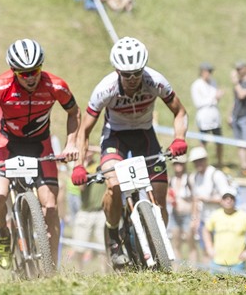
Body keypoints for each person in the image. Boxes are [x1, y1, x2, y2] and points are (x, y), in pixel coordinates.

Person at [71, 36, 188, 269]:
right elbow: (84, 130)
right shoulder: (106, 88)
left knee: (160, 196)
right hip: (115, 137)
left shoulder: (155, 81)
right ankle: (114, 237)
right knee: (114, 185)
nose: (133, 78)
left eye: (137, 72)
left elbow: (180, 112)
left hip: (145, 135)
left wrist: (179, 139)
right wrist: (79, 165)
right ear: (117, 71)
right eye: (127, 74)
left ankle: (157, 245)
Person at [0, 39, 80, 270]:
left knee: (50, 207)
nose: (30, 77)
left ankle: (52, 269)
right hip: (9, 145)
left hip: (41, 145)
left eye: (34, 71)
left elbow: (74, 112)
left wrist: (71, 143)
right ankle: (3, 235)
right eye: (23, 73)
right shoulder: (0, 86)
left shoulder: (56, 86)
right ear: (14, 71)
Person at [202, 188, 246, 273]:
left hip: (237, 264)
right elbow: (206, 230)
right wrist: (209, 247)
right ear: (221, 201)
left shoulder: (244, 216)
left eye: (231, 198)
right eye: (225, 198)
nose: (228, 201)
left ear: (235, 201)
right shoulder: (216, 215)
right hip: (217, 262)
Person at [187, 146, 230, 264]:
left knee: (220, 251)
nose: (198, 163)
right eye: (195, 161)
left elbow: (227, 199)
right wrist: (194, 218)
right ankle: (208, 277)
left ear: (206, 159)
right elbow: (195, 199)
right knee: (206, 250)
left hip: (219, 219)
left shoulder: (216, 175)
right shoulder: (194, 177)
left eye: (200, 160)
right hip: (204, 220)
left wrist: (208, 199)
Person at [68, 146, 106, 272]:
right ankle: (79, 271)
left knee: (104, 247)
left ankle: (105, 272)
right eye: (86, 151)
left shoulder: (100, 165)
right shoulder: (80, 169)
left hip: (101, 211)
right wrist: (82, 162)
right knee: (79, 247)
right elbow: (81, 188)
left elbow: (109, 153)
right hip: (85, 211)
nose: (88, 153)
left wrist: (92, 148)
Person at [190, 62, 224, 167]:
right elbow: (198, 103)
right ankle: (203, 163)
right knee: (203, 142)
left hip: (214, 116)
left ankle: (220, 163)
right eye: (207, 71)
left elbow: (215, 99)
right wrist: (213, 98)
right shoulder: (196, 85)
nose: (209, 73)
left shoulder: (213, 82)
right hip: (204, 117)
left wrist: (215, 98)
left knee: (219, 141)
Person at [229, 61, 246, 177]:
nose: (238, 71)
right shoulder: (239, 83)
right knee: (240, 145)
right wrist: (230, 114)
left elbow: (242, 95)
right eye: (237, 69)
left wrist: (235, 83)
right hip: (236, 117)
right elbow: (235, 101)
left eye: (240, 69)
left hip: (245, 117)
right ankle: (244, 168)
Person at [168, 157, 196, 264]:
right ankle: (177, 269)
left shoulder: (189, 178)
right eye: (176, 163)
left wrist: (194, 217)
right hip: (175, 215)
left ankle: (193, 270)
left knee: (191, 244)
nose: (178, 166)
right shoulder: (171, 180)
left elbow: (194, 198)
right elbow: (167, 195)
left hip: (187, 215)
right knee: (176, 243)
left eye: (180, 163)